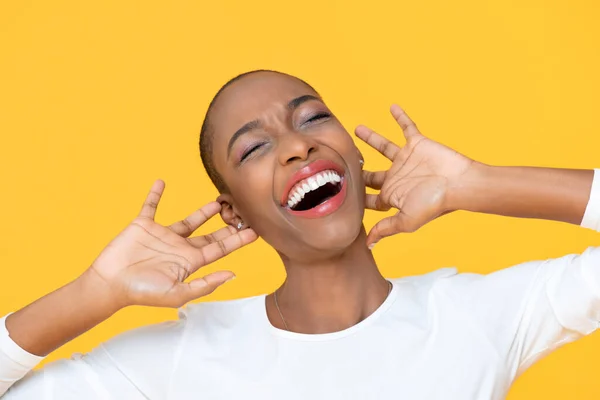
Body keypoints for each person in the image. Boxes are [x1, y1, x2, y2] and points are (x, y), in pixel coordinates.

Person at [0, 70, 598, 400]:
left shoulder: (472, 316)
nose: (296, 144)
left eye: (312, 117)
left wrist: (480, 184)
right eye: (255, 147)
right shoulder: (185, 356)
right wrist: (95, 292)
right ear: (235, 214)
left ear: (354, 157)